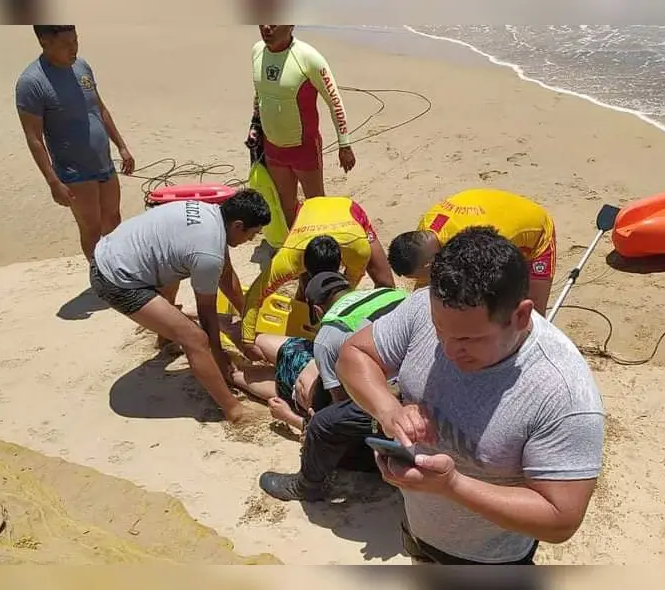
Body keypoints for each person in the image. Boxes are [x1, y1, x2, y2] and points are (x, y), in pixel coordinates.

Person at [337, 226, 604, 565]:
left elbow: (560, 519)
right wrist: (389, 410)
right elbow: (355, 355)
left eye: (468, 340)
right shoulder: (429, 307)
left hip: (489, 560)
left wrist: (452, 487)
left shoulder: (563, 393)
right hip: (418, 527)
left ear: (520, 316)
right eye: (439, 330)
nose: (447, 350)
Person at [89, 189, 271, 426]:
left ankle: (164, 339)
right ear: (238, 226)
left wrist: (248, 324)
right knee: (195, 339)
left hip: (116, 252)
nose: (252, 240)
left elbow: (228, 278)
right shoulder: (208, 254)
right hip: (116, 280)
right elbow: (206, 315)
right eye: (253, 234)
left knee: (174, 264)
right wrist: (219, 355)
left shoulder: (212, 215)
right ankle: (233, 410)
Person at [258, 271, 409, 502]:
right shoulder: (388, 294)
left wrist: (293, 419)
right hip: (402, 374)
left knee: (322, 423)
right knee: (275, 356)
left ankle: (307, 486)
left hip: (312, 380)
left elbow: (341, 409)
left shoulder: (329, 334)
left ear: (317, 310)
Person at [16, 25, 135, 261]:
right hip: (74, 171)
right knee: (91, 228)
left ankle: (118, 274)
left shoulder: (81, 67)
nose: (74, 49)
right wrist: (52, 181)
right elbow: (34, 138)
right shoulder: (31, 83)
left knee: (113, 219)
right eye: (66, 45)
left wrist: (121, 146)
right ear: (44, 42)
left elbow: (99, 108)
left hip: (103, 161)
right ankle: (102, 279)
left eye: (76, 41)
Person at [236, 196, 396, 362]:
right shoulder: (288, 260)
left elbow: (349, 286)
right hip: (308, 213)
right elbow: (255, 296)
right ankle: (305, 310)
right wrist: (247, 342)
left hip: (349, 214)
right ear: (301, 268)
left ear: (340, 262)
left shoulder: (358, 249)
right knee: (307, 296)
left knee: (386, 283)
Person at [249, 24, 356, 229]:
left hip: (303, 148)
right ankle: (298, 245)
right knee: (286, 205)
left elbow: (334, 101)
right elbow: (260, 95)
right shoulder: (256, 52)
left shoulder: (308, 58)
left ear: (291, 24)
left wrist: (345, 144)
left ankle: (321, 247)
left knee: (316, 204)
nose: (267, 27)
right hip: (272, 146)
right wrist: (254, 129)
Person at [387, 188, 557, 316]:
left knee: (531, 312)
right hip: (495, 208)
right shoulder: (424, 231)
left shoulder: (474, 246)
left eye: (420, 276)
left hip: (535, 233)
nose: (422, 280)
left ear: (428, 264)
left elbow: (496, 277)